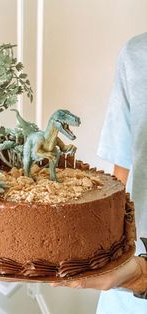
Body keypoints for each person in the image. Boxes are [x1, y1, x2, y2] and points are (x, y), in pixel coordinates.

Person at [52, 32, 147, 313]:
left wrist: (142, 276)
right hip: (126, 282)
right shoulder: (136, 54)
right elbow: (124, 168)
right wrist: (106, 245)